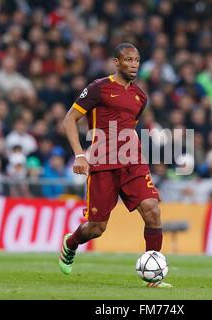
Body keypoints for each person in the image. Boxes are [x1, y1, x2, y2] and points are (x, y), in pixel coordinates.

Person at [59, 43, 171, 288]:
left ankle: (154, 278)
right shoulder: (99, 88)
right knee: (96, 228)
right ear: (116, 62)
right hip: (102, 163)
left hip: (132, 162)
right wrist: (79, 155)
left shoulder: (140, 96)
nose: (133, 65)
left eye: (137, 60)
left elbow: (127, 125)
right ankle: (71, 244)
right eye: (128, 60)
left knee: (152, 209)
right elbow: (69, 120)